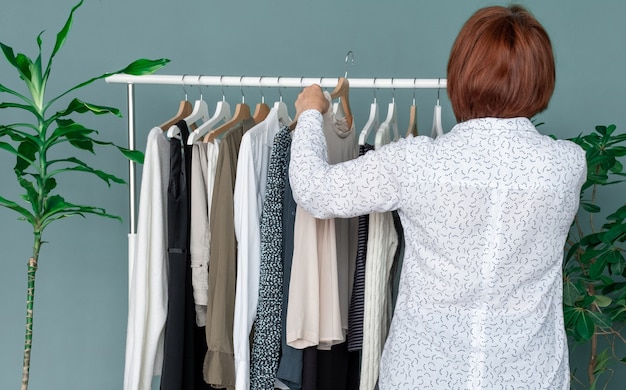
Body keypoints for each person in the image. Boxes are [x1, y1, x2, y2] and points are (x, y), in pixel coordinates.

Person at [288, 4, 586, 390]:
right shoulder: (567, 165)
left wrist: (311, 112)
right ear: (542, 80)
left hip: (421, 376)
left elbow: (314, 190)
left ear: (460, 76)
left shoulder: (415, 163)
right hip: (531, 377)